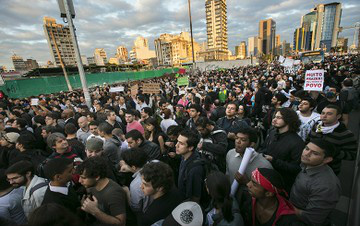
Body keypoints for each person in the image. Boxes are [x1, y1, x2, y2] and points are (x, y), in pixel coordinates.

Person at [290, 139, 341, 226]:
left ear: (327, 160)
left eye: (315, 153)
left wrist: (285, 207)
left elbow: (312, 219)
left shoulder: (326, 186)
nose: (306, 154)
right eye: (306, 148)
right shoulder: (308, 164)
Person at [260, 108, 304, 192]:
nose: (274, 119)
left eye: (279, 117)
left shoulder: (297, 142)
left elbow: (296, 168)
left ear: (288, 120)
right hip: (266, 177)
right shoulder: (272, 133)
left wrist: (274, 160)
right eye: (275, 117)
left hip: (281, 184)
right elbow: (264, 148)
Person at [307, 104, 357, 175]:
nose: (324, 116)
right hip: (309, 165)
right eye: (323, 113)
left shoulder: (346, 134)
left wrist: (333, 152)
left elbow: (352, 155)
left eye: (329, 114)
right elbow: (308, 140)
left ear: (338, 116)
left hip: (329, 171)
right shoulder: (316, 126)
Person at [77, 156, 127, 226]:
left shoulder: (114, 193)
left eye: (83, 178)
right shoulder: (91, 186)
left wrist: (94, 211)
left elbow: (121, 223)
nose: (80, 181)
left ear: (97, 177)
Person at [137, 161, 185, 226]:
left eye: (146, 185)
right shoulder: (173, 189)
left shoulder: (149, 217)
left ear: (160, 188)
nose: (141, 186)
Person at [176, 129, 204, 204]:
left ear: (190, 148)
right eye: (177, 141)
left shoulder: (195, 169)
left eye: (181, 144)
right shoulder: (183, 156)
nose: (176, 145)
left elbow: (195, 198)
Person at [120, 148, 151, 213]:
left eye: (126, 164)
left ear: (134, 167)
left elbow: (136, 208)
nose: (124, 166)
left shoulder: (135, 185)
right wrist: (131, 169)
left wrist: (127, 191)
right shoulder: (156, 163)